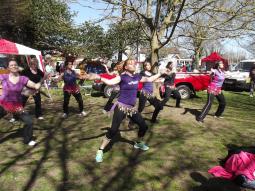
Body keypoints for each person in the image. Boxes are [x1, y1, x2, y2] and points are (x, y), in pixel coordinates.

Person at [86, 59, 165, 163]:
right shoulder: (122, 77)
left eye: (134, 63)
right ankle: (100, 150)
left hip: (131, 109)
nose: (133, 65)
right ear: (126, 67)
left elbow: (149, 79)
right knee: (113, 130)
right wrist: (99, 77)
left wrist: (160, 73)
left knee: (144, 126)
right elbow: (110, 82)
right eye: (130, 64)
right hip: (121, 107)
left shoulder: (137, 76)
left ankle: (138, 142)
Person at [0, 58, 41, 146]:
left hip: (17, 106)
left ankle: (28, 140)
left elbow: (32, 84)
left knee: (29, 121)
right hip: (4, 104)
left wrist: (36, 85)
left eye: (15, 65)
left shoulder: (23, 78)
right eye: (11, 65)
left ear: (17, 67)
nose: (14, 66)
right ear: (8, 67)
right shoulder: (4, 77)